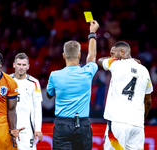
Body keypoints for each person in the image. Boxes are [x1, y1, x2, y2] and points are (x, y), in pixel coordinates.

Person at [46, 20, 99, 150]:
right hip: (83, 125)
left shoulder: (54, 75)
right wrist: (92, 33)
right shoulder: (87, 72)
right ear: (79, 55)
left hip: (62, 125)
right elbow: (92, 56)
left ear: (63, 55)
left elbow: (49, 95)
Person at [97, 41, 153, 149]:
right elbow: (148, 101)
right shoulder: (145, 71)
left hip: (118, 122)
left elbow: (100, 60)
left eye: (113, 54)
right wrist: (142, 118)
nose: (111, 57)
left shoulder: (116, 64)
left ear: (122, 52)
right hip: (137, 126)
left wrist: (115, 59)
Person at [10, 53, 43, 150]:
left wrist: (38, 129)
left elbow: (37, 107)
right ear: (14, 65)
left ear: (28, 66)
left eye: (24, 65)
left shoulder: (34, 82)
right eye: (19, 64)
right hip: (9, 129)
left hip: (27, 130)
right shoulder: (6, 81)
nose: (21, 67)